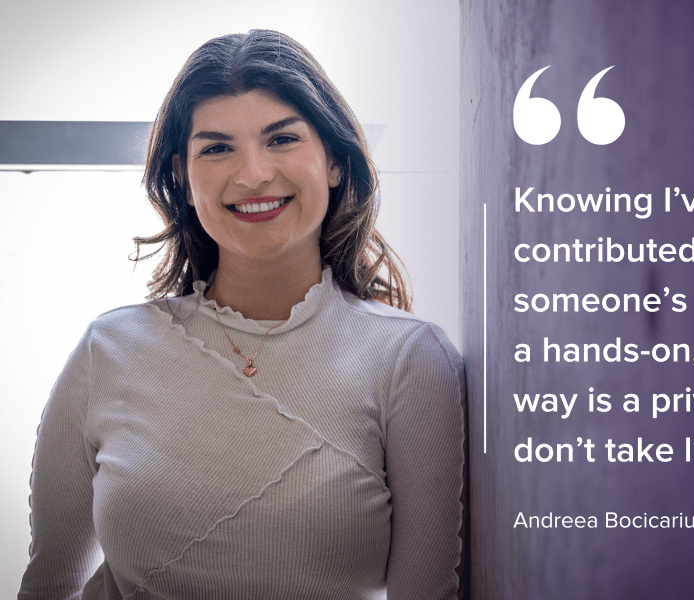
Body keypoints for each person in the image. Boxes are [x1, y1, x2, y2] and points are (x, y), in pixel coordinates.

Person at [19, 30, 466, 599]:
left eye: (281, 139)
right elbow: (47, 585)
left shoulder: (411, 359)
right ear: (182, 177)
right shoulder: (108, 349)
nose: (253, 173)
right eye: (217, 147)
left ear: (333, 161)